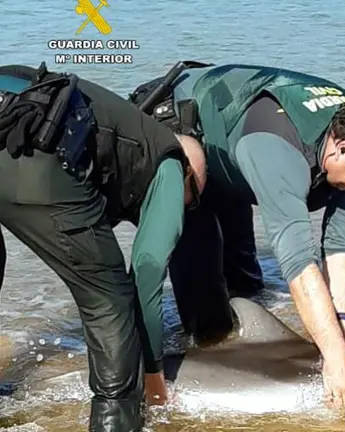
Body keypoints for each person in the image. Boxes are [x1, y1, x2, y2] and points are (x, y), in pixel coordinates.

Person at [128, 62, 345, 409]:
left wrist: (343, 335)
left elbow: (340, 243)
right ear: (341, 148)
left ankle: (247, 345)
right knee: (207, 320)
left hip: (234, 145)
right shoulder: (276, 150)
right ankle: (160, 375)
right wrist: (335, 359)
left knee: (247, 289)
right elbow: (298, 260)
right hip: (186, 139)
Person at [0, 62, 207, 431]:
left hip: (13, 106)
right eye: (190, 202)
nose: (183, 211)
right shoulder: (171, 162)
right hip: (37, 146)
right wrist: (154, 375)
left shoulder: (128, 125)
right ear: (188, 172)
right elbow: (146, 270)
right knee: (108, 300)